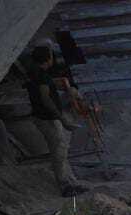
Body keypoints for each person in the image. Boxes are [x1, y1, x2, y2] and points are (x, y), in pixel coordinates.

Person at [24, 45, 84, 197]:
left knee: (60, 149)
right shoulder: (41, 76)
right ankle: (64, 185)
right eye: (51, 56)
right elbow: (46, 99)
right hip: (47, 118)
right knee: (58, 151)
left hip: (44, 116)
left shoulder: (36, 73)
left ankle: (69, 181)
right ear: (48, 58)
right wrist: (61, 118)